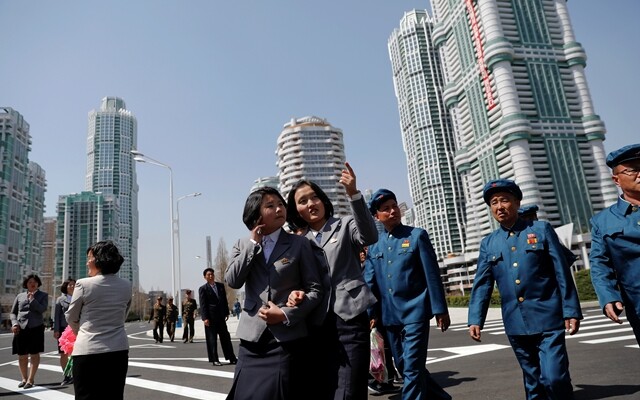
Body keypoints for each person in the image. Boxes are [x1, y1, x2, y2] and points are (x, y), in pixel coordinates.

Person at [468, 179, 583, 399]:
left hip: (548, 317)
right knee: (533, 382)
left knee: (554, 378)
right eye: (494, 202)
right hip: (515, 321)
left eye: (505, 200)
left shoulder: (541, 229)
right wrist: (475, 319)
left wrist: (571, 310)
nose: (499, 206)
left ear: (517, 203)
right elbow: (482, 284)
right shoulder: (489, 243)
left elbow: (562, 272)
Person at [285, 162, 378, 400]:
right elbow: (297, 280)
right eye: (302, 201)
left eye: (314, 197)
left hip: (349, 318)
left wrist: (354, 195)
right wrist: (295, 294)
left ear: (323, 200)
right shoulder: (298, 241)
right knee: (326, 388)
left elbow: (369, 235)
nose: (310, 203)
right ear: (297, 211)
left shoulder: (345, 224)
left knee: (350, 390)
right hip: (315, 325)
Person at [225, 186, 323, 399]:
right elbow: (233, 280)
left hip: (285, 341)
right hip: (251, 341)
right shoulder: (243, 244)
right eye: (270, 205)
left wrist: (286, 313)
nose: (279, 209)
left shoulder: (300, 244)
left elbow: (315, 291)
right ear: (256, 213)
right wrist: (253, 244)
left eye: (281, 204)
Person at [363, 189, 451, 400]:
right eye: (385, 209)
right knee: (404, 365)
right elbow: (370, 282)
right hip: (390, 316)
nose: (392, 211)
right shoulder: (375, 247)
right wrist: (371, 313)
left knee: (411, 367)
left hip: (416, 313)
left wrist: (440, 309)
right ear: (377, 216)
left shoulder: (416, 236)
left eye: (394, 206)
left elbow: (432, 275)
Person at [65, 240, 132, 400]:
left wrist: (80, 332)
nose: (87, 262)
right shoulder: (126, 285)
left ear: (99, 260)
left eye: (89, 257)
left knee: (86, 396)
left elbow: (71, 316)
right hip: (118, 351)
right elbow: (123, 316)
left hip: (88, 351)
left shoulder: (83, 284)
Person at [589, 143, 640, 345]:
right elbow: (600, 265)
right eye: (633, 169)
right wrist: (608, 296)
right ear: (616, 180)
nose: (639, 174)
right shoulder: (603, 222)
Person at [359, 246, 400, 395]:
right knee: (379, 349)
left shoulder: (367, 264)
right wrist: (372, 314)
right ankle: (378, 380)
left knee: (382, 348)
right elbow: (370, 289)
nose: (363, 253)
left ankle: (386, 379)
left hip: (381, 312)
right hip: (377, 313)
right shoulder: (365, 267)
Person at [10, 274, 48, 389]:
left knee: (34, 354)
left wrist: (32, 300)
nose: (33, 283)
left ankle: (31, 380)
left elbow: (42, 309)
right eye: (30, 281)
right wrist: (14, 323)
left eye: (35, 282)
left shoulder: (43, 295)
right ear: (26, 284)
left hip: (36, 328)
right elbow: (13, 312)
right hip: (21, 329)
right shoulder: (20, 296)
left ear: (38, 284)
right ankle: (24, 378)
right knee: (22, 355)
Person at [199, 267, 237, 366]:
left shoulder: (220, 286)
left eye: (212, 274)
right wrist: (205, 318)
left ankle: (231, 357)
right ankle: (214, 359)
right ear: (205, 277)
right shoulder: (203, 289)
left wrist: (226, 312)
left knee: (226, 337)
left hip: (220, 317)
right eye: (208, 275)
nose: (211, 276)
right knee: (212, 339)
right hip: (210, 318)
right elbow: (203, 305)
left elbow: (224, 300)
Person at [53, 278, 76, 385]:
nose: (72, 286)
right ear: (65, 287)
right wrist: (56, 330)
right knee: (63, 354)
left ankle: (76, 375)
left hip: (77, 329)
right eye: (70, 285)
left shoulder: (80, 297)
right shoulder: (60, 300)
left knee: (77, 353)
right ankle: (67, 376)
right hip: (64, 330)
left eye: (74, 284)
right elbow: (56, 316)